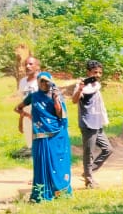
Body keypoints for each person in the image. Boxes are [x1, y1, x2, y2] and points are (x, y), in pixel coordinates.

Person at [14, 72, 74, 201]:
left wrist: (56, 99)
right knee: (41, 163)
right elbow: (18, 108)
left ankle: (59, 191)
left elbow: (59, 115)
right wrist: (27, 115)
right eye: (41, 81)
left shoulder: (56, 96)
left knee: (57, 163)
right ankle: (42, 193)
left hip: (56, 135)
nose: (44, 84)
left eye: (47, 81)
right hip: (40, 136)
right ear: (38, 82)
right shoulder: (33, 97)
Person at [72, 60, 111, 188]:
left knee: (108, 149)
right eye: (95, 72)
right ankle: (89, 181)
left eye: (100, 72)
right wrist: (80, 89)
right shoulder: (83, 86)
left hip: (98, 123)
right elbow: (74, 100)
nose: (98, 75)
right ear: (88, 72)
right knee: (89, 153)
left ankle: (88, 172)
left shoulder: (96, 85)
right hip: (88, 123)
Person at [14, 56, 40, 157]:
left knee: (40, 141)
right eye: (26, 64)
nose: (27, 66)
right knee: (30, 143)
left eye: (30, 64)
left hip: (39, 117)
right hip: (27, 117)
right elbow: (22, 104)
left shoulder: (41, 81)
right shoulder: (23, 82)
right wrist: (21, 120)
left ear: (37, 66)